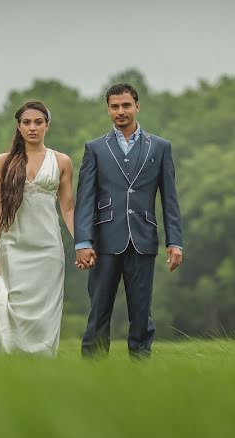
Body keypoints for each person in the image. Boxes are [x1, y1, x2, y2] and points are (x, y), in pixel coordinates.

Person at [74, 83, 183, 358]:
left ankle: (140, 371)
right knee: (98, 311)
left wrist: (175, 242)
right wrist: (83, 241)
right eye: (114, 106)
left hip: (143, 240)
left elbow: (169, 199)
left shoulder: (160, 147)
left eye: (126, 105)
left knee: (141, 312)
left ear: (137, 106)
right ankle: (92, 373)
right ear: (108, 109)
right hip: (104, 242)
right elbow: (85, 198)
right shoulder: (95, 149)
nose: (120, 111)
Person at [0, 101, 75, 355]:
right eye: (26, 122)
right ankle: (7, 364)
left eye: (38, 122)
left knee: (45, 315)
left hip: (48, 251)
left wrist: (83, 244)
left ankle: (41, 367)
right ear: (18, 126)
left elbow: (68, 209)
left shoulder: (61, 161)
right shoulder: (4, 162)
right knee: (10, 308)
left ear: (47, 125)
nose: (32, 128)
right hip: (13, 249)